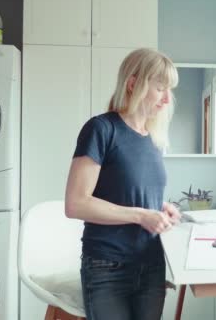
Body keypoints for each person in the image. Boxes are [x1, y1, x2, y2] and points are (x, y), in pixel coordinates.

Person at [65, 48, 181, 320]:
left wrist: (161, 208)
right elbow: (76, 203)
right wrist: (142, 215)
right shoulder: (101, 129)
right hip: (108, 266)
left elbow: (128, 192)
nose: (166, 99)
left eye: (169, 90)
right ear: (133, 84)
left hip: (151, 263)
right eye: (160, 88)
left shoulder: (153, 139)